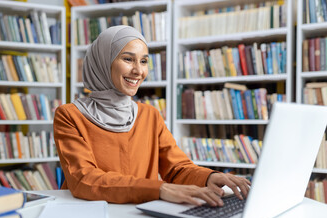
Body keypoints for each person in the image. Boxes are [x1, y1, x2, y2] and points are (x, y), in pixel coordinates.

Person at [53, 25, 251, 207]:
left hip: (139, 213)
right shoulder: (70, 115)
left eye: (144, 61)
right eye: (128, 59)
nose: (138, 71)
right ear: (104, 61)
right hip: (88, 216)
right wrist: (159, 189)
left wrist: (209, 177)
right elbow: (84, 179)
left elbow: (177, 168)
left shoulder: (150, 115)